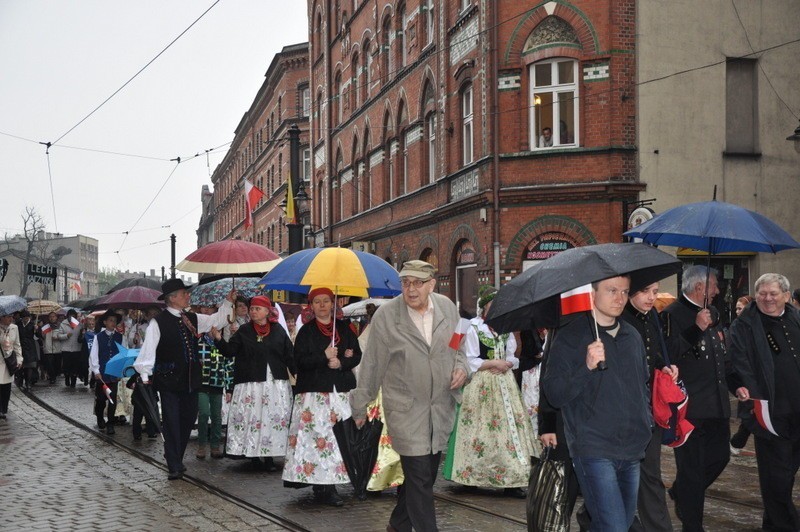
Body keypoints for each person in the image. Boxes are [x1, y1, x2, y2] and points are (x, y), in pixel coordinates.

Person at [350, 260, 469, 531]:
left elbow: (458, 347)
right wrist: (359, 405)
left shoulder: (448, 309)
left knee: (424, 477)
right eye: (405, 283)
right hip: (406, 410)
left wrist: (462, 368)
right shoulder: (387, 317)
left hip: (440, 408)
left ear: (431, 284)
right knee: (419, 478)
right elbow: (372, 366)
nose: (411, 289)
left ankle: (397, 524)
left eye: (417, 283)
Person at [542, 275, 652, 531]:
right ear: (592, 293)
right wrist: (586, 366)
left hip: (632, 448)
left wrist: (646, 423)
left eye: (624, 292)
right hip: (594, 449)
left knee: (616, 526)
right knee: (613, 527)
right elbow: (554, 393)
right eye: (612, 290)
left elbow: (642, 385)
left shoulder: (632, 335)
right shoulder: (571, 336)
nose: (619, 298)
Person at [661, 265, 740, 531]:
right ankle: (692, 525)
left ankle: (681, 490)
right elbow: (668, 355)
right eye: (714, 286)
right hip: (689, 409)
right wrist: (695, 329)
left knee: (721, 458)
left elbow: (723, 360)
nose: (718, 290)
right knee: (693, 471)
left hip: (716, 406)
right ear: (700, 288)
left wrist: (736, 385)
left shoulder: (714, 315)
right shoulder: (672, 315)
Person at [133, 278, 235, 480]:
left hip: (191, 380)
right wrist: (145, 377)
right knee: (171, 422)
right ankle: (174, 464)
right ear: (172, 299)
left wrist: (228, 302)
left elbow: (218, 320)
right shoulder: (158, 323)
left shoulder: (192, 318)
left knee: (187, 420)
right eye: (184, 293)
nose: (188, 295)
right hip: (169, 380)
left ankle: (175, 458)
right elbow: (148, 351)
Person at [448, 285, 537, 498]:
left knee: (509, 429)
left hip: (504, 383)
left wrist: (506, 363)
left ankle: (513, 480)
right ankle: (470, 478)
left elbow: (514, 356)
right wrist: (491, 363)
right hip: (481, 384)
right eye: (492, 304)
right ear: (484, 306)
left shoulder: (506, 327)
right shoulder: (473, 328)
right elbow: (467, 359)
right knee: (478, 429)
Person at [729, 274, 800, 531]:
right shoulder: (743, 326)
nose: (767, 298)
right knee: (777, 478)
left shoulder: (795, 318)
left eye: (773, 293)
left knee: (785, 474)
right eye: (762, 293)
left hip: (798, 413)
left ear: (785, 296)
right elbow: (736, 365)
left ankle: (772, 524)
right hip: (769, 415)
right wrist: (741, 388)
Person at [282, 287, 361, 507]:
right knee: (319, 440)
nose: (322, 305)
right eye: (317, 302)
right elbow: (300, 362)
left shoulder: (345, 329)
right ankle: (323, 486)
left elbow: (357, 354)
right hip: (314, 394)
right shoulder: (306, 332)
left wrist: (342, 362)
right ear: (311, 305)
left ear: (333, 304)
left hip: (339, 392)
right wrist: (323, 357)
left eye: (326, 301)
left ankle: (336, 480)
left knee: (338, 439)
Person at [620, 282, 679, 532]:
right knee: (616, 473)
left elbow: (651, 351)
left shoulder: (652, 316)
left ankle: (658, 527)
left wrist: (663, 366)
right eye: (645, 292)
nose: (651, 298)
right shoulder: (617, 319)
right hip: (621, 409)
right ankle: (592, 519)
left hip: (649, 407)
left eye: (655, 292)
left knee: (650, 471)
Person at [212, 295, 293, 468]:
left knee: (271, 418)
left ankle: (270, 456)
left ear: (267, 311)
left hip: (274, 384)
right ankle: (253, 456)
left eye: (257, 309)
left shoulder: (278, 330)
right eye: (252, 309)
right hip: (250, 384)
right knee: (253, 418)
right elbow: (230, 351)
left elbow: (289, 356)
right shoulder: (244, 331)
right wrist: (219, 340)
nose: (253, 312)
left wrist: (298, 372)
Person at [193, 304, 233, 459]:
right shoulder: (198, 343)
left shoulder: (222, 345)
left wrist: (229, 388)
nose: (214, 330)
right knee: (204, 413)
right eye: (212, 327)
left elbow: (229, 367)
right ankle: (202, 444)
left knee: (217, 416)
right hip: (201, 384)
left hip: (217, 384)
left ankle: (215, 445)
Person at [89, 310, 125, 434]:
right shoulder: (98, 337)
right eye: (110, 320)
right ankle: (100, 417)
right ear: (105, 322)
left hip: (114, 372)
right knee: (101, 399)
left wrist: (120, 370)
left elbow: (123, 355)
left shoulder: (120, 337)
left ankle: (110, 423)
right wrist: (96, 370)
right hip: (102, 372)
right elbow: (94, 355)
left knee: (112, 399)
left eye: (115, 321)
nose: (113, 323)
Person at [730, 295, 754, 455]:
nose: (738, 311)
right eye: (737, 308)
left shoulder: (756, 325)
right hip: (744, 379)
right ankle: (736, 442)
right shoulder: (736, 327)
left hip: (756, 378)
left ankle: (736, 441)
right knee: (750, 415)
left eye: (741, 308)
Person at [0, 312, 23, 420]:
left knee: (7, 387)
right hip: (0, 360)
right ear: (2, 317)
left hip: (9, 362)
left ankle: (4, 409)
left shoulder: (14, 328)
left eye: (11, 316)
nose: (11, 318)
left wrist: (19, 359)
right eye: (8, 316)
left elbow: (17, 345)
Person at [59, 309, 83, 388]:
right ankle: (67, 378)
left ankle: (73, 381)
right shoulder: (63, 324)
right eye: (70, 316)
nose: (72, 318)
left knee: (75, 367)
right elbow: (59, 336)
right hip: (66, 349)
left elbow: (82, 336)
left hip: (77, 349)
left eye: (74, 316)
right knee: (67, 367)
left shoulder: (79, 325)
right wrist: (66, 336)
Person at [16, 310, 39, 390]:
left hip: (30, 347)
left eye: (27, 318)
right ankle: (19, 381)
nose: (25, 320)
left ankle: (28, 382)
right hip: (20, 346)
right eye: (24, 318)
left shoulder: (33, 324)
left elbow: (38, 336)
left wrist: (37, 330)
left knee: (29, 366)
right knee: (20, 365)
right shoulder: (18, 325)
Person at [41, 311, 67, 384]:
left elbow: (65, 336)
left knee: (57, 365)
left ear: (56, 317)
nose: (52, 318)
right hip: (48, 348)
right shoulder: (45, 326)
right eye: (50, 317)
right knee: (49, 364)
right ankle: (52, 377)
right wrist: (38, 330)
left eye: (53, 316)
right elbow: (41, 337)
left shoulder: (61, 326)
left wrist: (58, 338)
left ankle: (54, 375)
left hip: (58, 349)